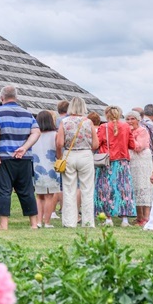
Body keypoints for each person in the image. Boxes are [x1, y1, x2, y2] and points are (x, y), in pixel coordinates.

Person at [0, 85, 41, 230]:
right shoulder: (27, 113)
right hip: (24, 157)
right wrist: (24, 147)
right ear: (16, 97)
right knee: (27, 190)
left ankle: (4, 224)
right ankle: (33, 223)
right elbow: (36, 132)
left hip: (3, 157)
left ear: (1, 98)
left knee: (3, 190)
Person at [55, 97, 98, 228]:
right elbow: (95, 144)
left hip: (70, 154)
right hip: (85, 154)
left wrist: (59, 157)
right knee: (87, 189)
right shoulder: (88, 121)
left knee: (69, 189)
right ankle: (88, 222)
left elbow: (59, 143)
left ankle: (69, 222)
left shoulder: (64, 122)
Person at [94, 106, 136, 227]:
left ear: (107, 115)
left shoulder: (103, 127)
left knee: (106, 189)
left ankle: (108, 218)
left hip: (107, 162)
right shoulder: (126, 127)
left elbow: (97, 144)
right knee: (124, 189)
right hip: (122, 162)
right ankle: (125, 219)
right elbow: (132, 144)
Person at [30, 110, 61, 229]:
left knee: (39, 196)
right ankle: (47, 222)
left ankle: (38, 220)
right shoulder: (55, 134)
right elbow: (58, 150)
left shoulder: (34, 135)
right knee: (50, 196)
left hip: (37, 167)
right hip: (51, 166)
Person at [125, 111, 153, 226]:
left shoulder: (142, 131)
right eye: (128, 119)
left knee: (144, 186)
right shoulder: (127, 131)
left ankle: (146, 217)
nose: (130, 121)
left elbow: (138, 147)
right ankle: (139, 216)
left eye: (133, 119)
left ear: (138, 120)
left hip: (142, 160)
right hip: (132, 161)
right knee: (135, 187)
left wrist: (130, 135)